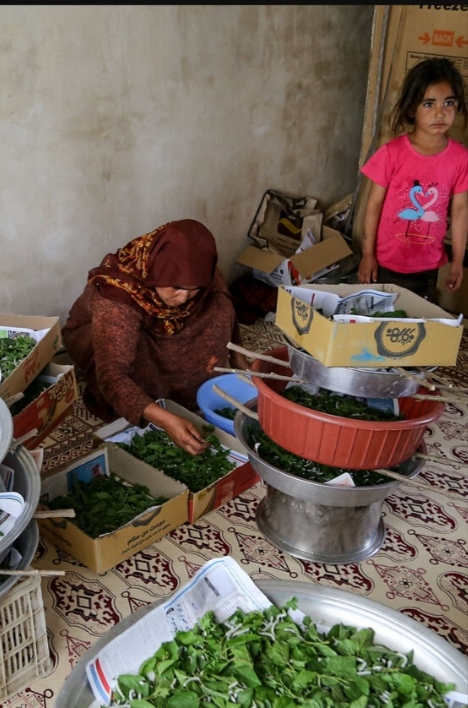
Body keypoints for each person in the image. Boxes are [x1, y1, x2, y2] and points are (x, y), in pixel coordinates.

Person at [62, 219, 248, 455]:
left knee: (216, 304)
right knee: (139, 354)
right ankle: (155, 403)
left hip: (162, 325)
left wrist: (239, 359)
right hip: (96, 336)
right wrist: (165, 420)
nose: (183, 297)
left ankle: (186, 393)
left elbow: (224, 303)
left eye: (193, 289)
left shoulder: (197, 271)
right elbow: (112, 374)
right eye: (177, 287)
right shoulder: (118, 297)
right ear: (158, 273)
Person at [357, 57, 468, 302]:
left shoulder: (461, 158)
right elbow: (373, 206)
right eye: (429, 103)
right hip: (385, 261)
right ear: (410, 109)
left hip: (428, 265)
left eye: (448, 102)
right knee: (380, 314)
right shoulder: (391, 153)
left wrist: (458, 260)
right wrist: (367, 254)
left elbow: (460, 210)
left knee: (416, 316)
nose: (440, 112)